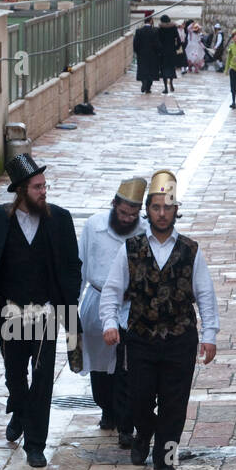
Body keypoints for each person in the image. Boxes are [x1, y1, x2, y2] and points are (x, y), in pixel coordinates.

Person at [99, 170, 219, 470]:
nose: (162, 213)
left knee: (174, 403)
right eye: (155, 207)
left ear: (176, 210)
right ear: (147, 210)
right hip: (140, 337)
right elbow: (112, 289)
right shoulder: (131, 249)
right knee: (138, 397)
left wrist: (210, 335)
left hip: (180, 338)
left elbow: (205, 294)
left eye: (167, 207)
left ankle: (165, 461)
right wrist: (110, 322)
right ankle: (144, 432)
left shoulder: (191, 250)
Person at [0, 154, 81, 467]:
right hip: (10, 312)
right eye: (37, 187)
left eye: (45, 186)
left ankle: (36, 444)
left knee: (43, 375)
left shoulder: (60, 219)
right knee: (14, 374)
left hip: (45, 313)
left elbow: (73, 265)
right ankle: (19, 409)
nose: (43, 191)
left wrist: (68, 301)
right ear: (21, 190)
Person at [78, 178, 148, 448]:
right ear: (114, 205)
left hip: (130, 307)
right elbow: (81, 267)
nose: (128, 218)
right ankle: (106, 407)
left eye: (133, 214)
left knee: (125, 364)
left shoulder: (144, 230)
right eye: (123, 213)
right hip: (96, 301)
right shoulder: (94, 226)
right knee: (99, 363)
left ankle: (124, 421)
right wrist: (71, 309)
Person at [132, 15, 160, 94]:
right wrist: (158, 52)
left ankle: (143, 82)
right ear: (151, 21)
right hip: (152, 54)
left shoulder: (139, 31)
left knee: (142, 69)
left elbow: (135, 43)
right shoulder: (155, 31)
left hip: (142, 54)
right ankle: (148, 87)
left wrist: (137, 52)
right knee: (151, 70)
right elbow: (157, 43)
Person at [156, 15, 180, 93]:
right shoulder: (174, 28)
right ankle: (171, 83)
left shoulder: (160, 29)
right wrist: (176, 48)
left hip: (163, 52)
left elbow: (157, 41)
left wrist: (159, 50)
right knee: (171, 68)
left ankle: (166, 87)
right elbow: (178, 39)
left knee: (164, 70)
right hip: (172, 51)